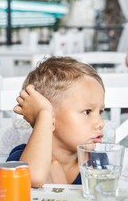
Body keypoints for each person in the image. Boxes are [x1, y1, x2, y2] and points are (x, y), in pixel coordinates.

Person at [7, 56, 105, 187]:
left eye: (101, 112)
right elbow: (33, 178)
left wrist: (61, 184)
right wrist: (44, 113)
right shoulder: (21, 156)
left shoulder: (97, 162)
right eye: (87, 112)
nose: (100, 123)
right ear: (50, 119)